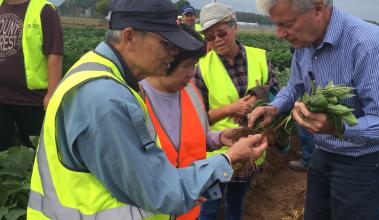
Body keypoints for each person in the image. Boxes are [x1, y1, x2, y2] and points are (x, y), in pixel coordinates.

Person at [26, 0, 268, 219]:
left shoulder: (102, 75)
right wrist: (228, 159)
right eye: (166, 43)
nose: (173, 53)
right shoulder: (105, 99)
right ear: (130, 37)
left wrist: (214, 141)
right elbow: (159, 190)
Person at [249, 0, 379, 219]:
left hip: (365, 159)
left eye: (287, 24)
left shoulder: (369, 45)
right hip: (325, 150)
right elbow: (295, 86)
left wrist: (338, 127)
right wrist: (274, 108)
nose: (279, 34)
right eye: (276, 25)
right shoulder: (305, 43)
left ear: (317, 8)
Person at [139, 24, 243, 220]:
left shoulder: (190, 90)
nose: (191, 72)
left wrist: (219, 138)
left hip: (190, 207)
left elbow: (193, 139)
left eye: (194, 64)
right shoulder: (137, 98)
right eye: (186, 65)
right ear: (165, 61)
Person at [194, 3, 279, 220]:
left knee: (236, 203)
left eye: (221, 32)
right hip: (218, 154)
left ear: (234, 28)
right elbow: (197, 117)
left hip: (252, 149)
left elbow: (275, 88)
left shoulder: (259, 56)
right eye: (210, 36)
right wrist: (231, 109)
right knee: (209, 207)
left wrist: (255, 96)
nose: (217, 40)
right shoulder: (201, 68)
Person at [0, 0, 63, 150]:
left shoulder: (44, 10)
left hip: (32, 100)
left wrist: (52, 94)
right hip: (1, 98)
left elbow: (55, 53)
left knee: (33, 153)